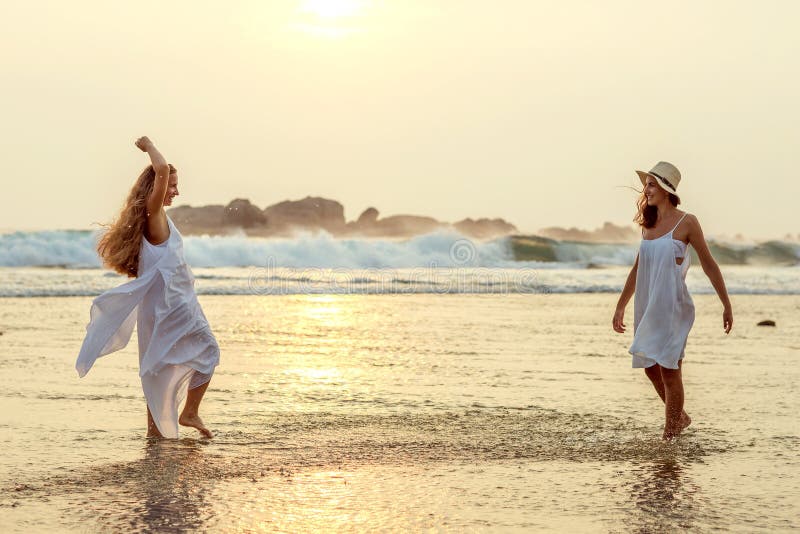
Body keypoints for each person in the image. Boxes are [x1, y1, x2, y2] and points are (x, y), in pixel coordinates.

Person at [76, 136, 220, 439]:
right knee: (208, 351)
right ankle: (190, 412)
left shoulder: (154, 218)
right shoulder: (153, 215)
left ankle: (155, 434)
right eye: (171, 185)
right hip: (174, 303)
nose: (175, 191)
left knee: (156, 367)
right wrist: (150, 146)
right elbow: (162, 168)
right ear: (155, 186)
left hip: (159, 304)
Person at [613, 161, 733, 441]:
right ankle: (680, 417)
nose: (647, 189)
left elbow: (709, 264)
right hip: (648, 304)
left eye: (652, 184)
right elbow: (637, 268)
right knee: (649, 366)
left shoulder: (687, 222)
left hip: (672, 306)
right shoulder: (648, 223)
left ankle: (670, 436)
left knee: (669, 369)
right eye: (647, 184)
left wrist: (726, 304)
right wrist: (621, 305)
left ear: (667, 190)